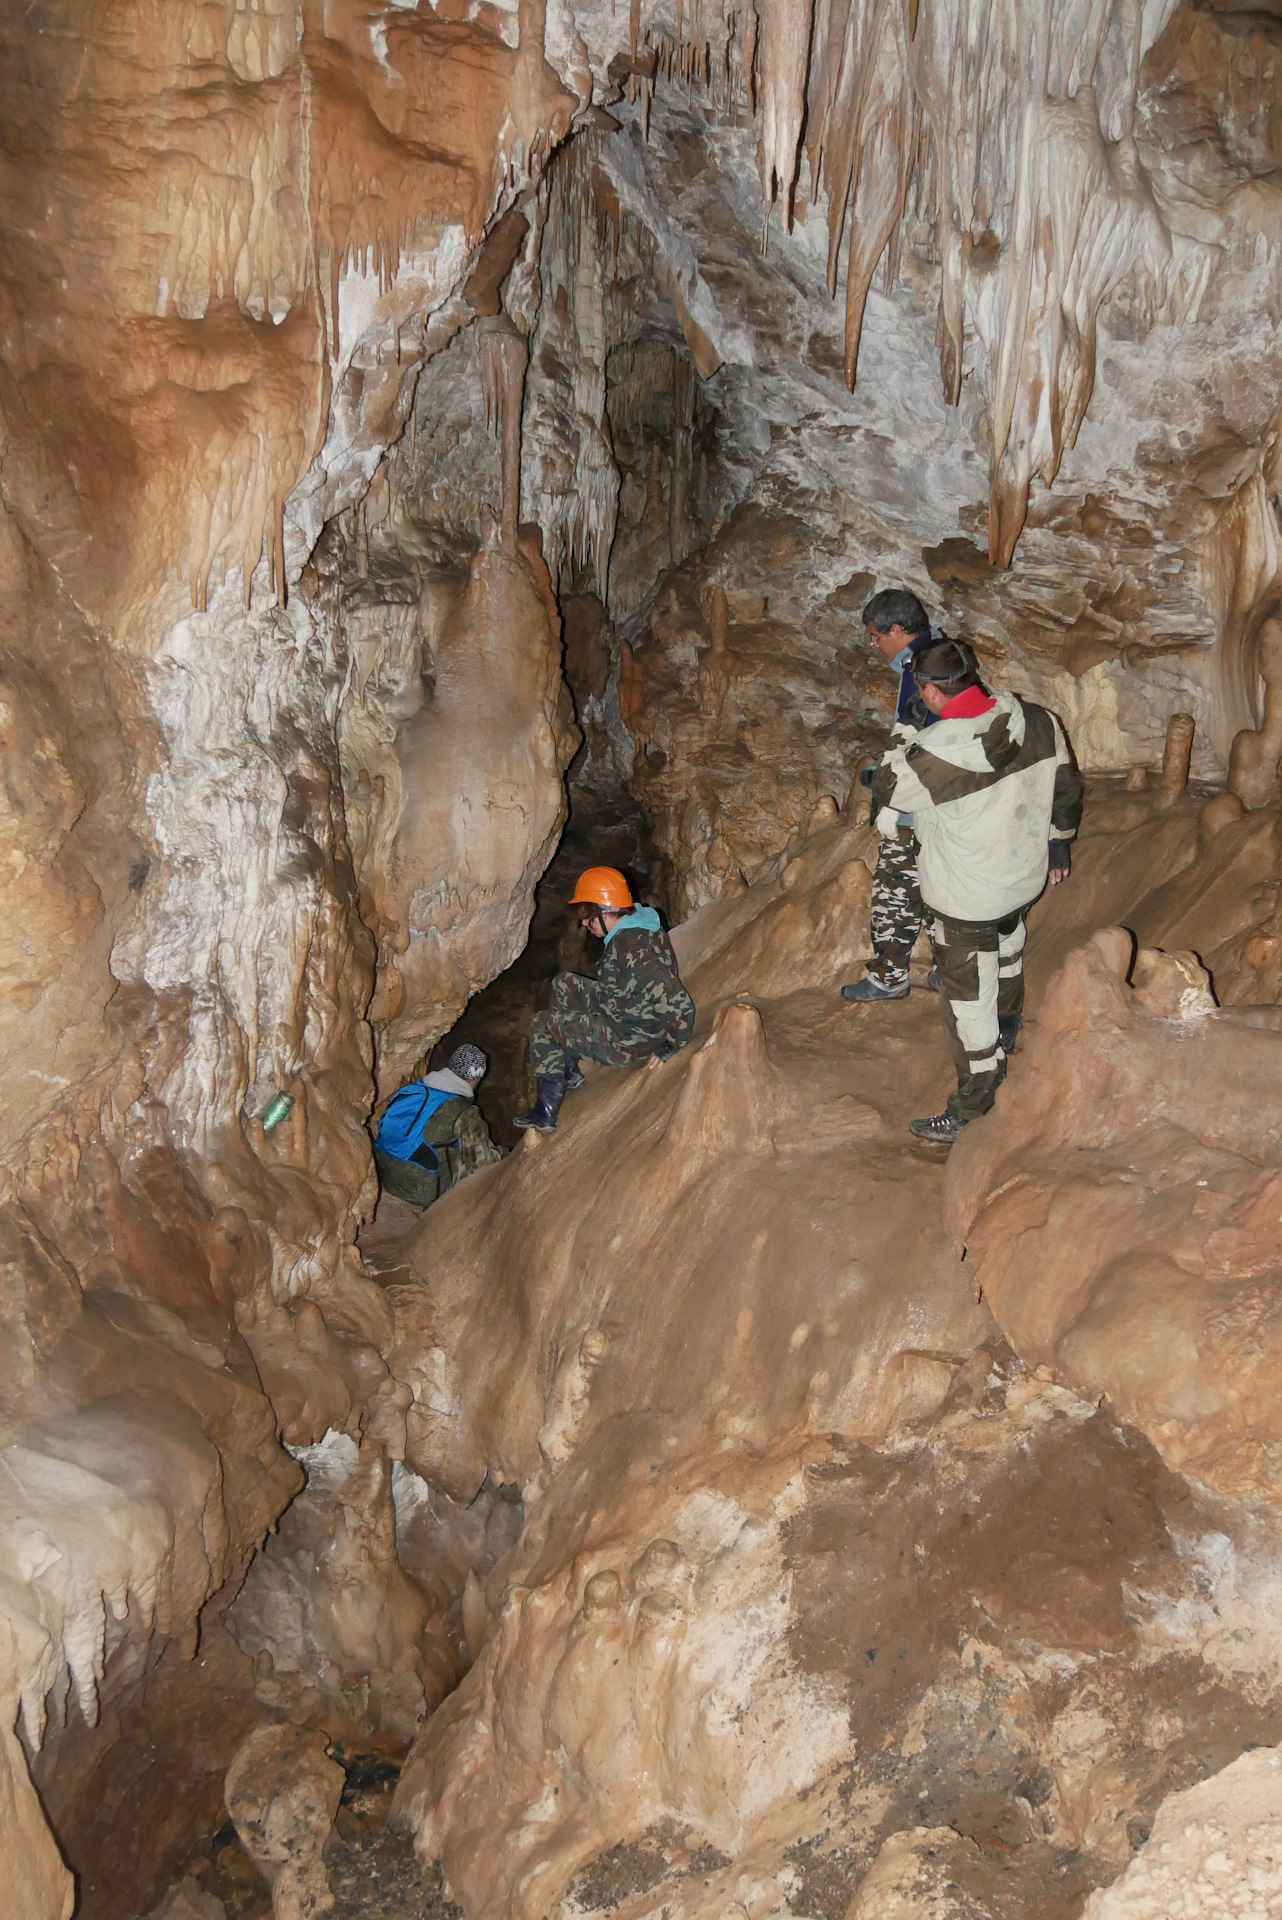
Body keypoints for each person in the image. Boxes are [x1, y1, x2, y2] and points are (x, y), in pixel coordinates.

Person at [878, 637, 1084, 1145]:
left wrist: (905, 732)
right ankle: (1009, 1024)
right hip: (1020, 878)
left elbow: (884, 783)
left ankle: (975, 1102)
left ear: (928, 692)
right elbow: (1066, 785)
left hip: (965, 899)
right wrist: (1058, 845)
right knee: (1008, 946)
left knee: (967, 1003)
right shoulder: (1038, 720)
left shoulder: (935, 753)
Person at [515, 866, 696, 1133]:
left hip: (630, 1041)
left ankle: (545, 1113)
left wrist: (670, 1045)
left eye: (589, 918)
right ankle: (569, 1072)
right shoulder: (640, 922)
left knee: (543, 1024)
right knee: (564, 983)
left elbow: (678, 1003)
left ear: (607, 912)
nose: (585, 925)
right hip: (627, 1007)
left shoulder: (632, 951)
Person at [841, 587, 937, 1003]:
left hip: (919, 803)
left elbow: (922, 741)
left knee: (895, 886)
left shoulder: (921, 669)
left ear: (896, 630)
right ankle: (952, 973)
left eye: (876, 637)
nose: (875, 646)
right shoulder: (940, 654)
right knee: (939, 885)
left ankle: (890, 976)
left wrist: (891, 795)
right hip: (943, 802)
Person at [373, 1043, 503, 1207]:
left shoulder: (419, 1088)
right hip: (419, 1190)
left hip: (386, 1174)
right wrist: (500, 1153)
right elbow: (481, 1164)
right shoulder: (464, 1111)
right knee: (482, 1165)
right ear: (475, 1078)